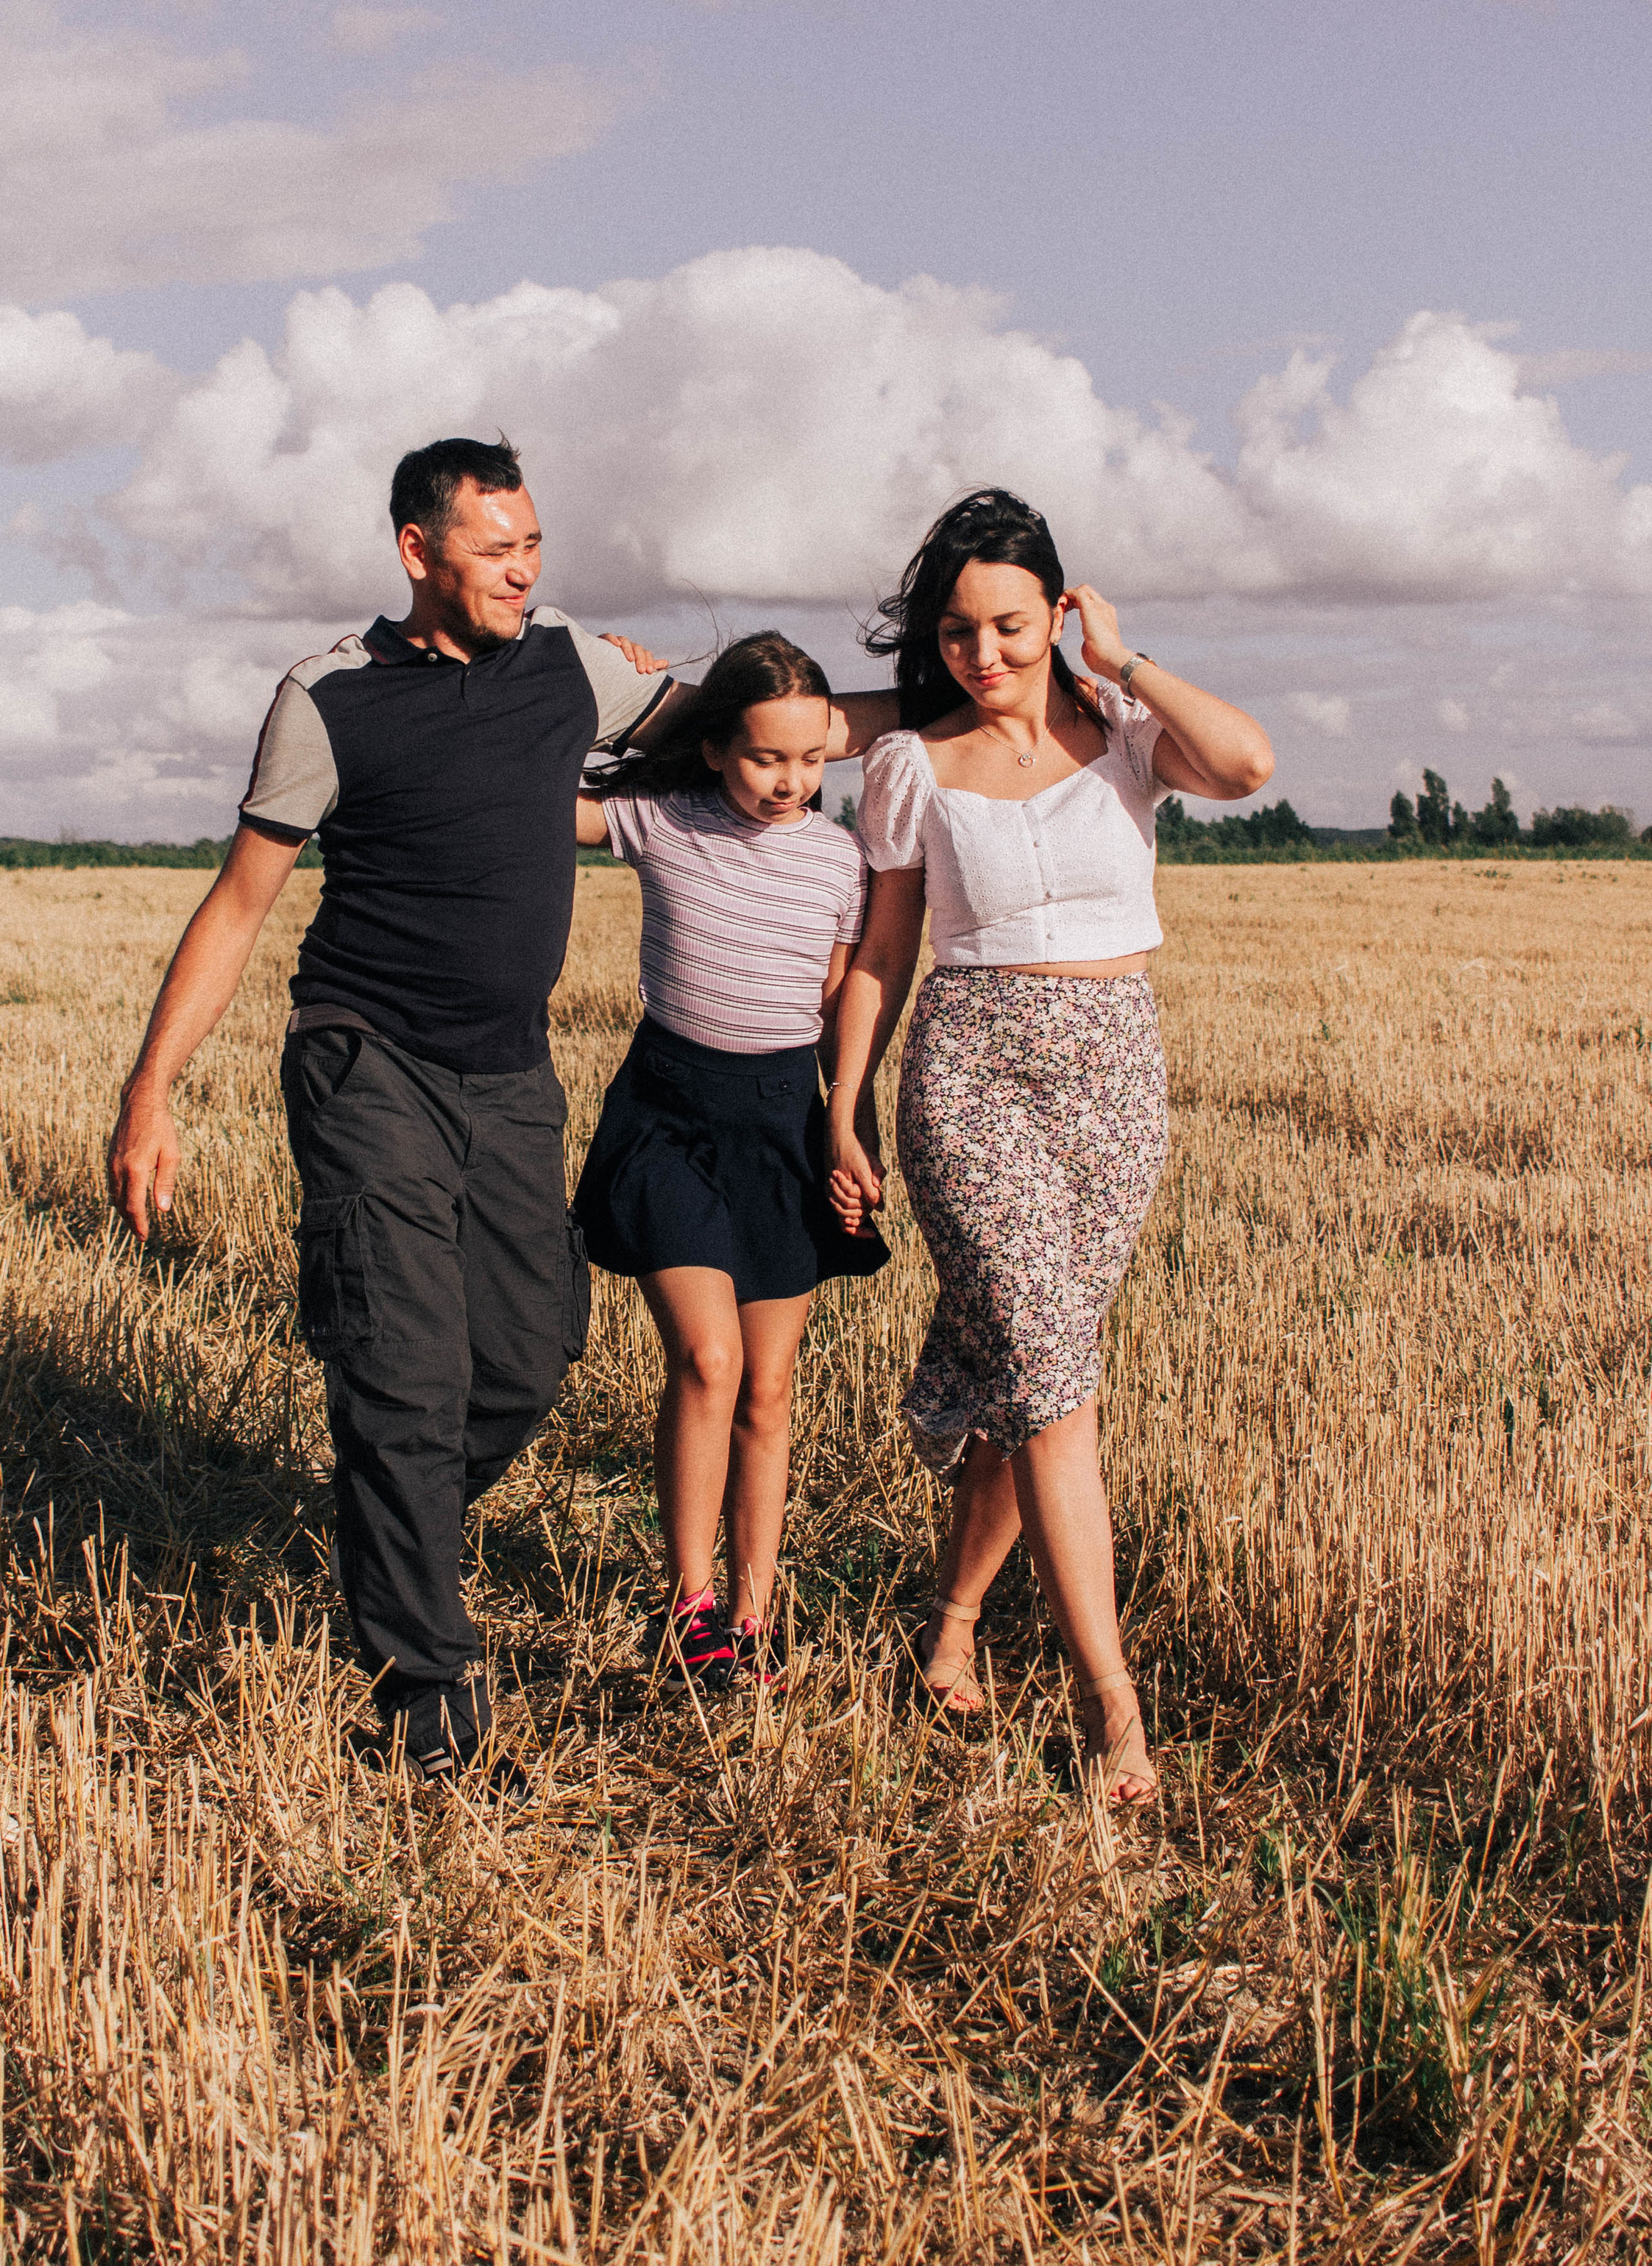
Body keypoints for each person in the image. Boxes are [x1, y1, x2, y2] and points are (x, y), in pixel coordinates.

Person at [108, 436, 902, 1785]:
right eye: (495, 550)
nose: (523, 570)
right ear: (418, 551)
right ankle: (431, 1704)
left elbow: (781, 723)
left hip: (513, 1075)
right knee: (406, 1372)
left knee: (529, 1359)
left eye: (533, 545)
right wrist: (151, 1093)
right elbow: (240, 905)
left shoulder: (572, 668)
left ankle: (393, 1520)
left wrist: (979, 691)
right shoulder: (329, 700)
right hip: (367, 1062)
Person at [826, 488, 1272, 1805]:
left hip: (1117, 1079)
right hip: (971, 1074)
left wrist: (1120, 658)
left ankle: (955, 1619)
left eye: (1011, 626)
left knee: (1032, 1370)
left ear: (1057, 613)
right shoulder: (912, 765)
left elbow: (1247, 765)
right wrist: (845, 1100)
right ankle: (1109, 1705)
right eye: (957, 632)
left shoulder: (1127, 733)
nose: (984, 654)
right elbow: (884, 948)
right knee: (1054, 1377)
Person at [571, 633, 890, 1693]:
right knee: (709, 1362)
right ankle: (690, 1605)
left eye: (809, 761)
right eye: (764, 758)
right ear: (714, 749)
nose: (789, 781)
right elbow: (536, 792)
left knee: (770, 1385)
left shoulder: (838, 862)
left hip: (780, 1123)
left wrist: (846, 1130)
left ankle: (753, 1617)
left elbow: (838, 1007)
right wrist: (611, 683)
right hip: (667, 1114)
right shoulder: (661, 820)